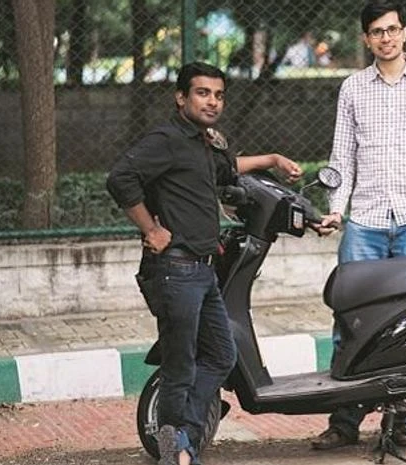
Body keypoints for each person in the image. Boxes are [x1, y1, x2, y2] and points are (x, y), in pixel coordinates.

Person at [106, 62, 302, 465]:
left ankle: (184, 439)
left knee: (220, 355)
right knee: (180, 368)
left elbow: (227, 168)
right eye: (202, 93)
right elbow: (120, 177)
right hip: (175, 270)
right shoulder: (166, 139)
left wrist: (274, 159)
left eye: (218, 95)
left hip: (202, 269)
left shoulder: (200, 142)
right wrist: (150, 229)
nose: (212, 101)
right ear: (181, 97)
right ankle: (175, 450)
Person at [313, 0, 406, 451]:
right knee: (351, 319)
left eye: (393, 29)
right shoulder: (353, 88)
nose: (386, 38)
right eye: (377, 31)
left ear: (405, 33)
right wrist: (338, 208)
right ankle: (344, 421)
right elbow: (343, 159)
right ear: (366, 39)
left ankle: (400, 421)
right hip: (365, 222)